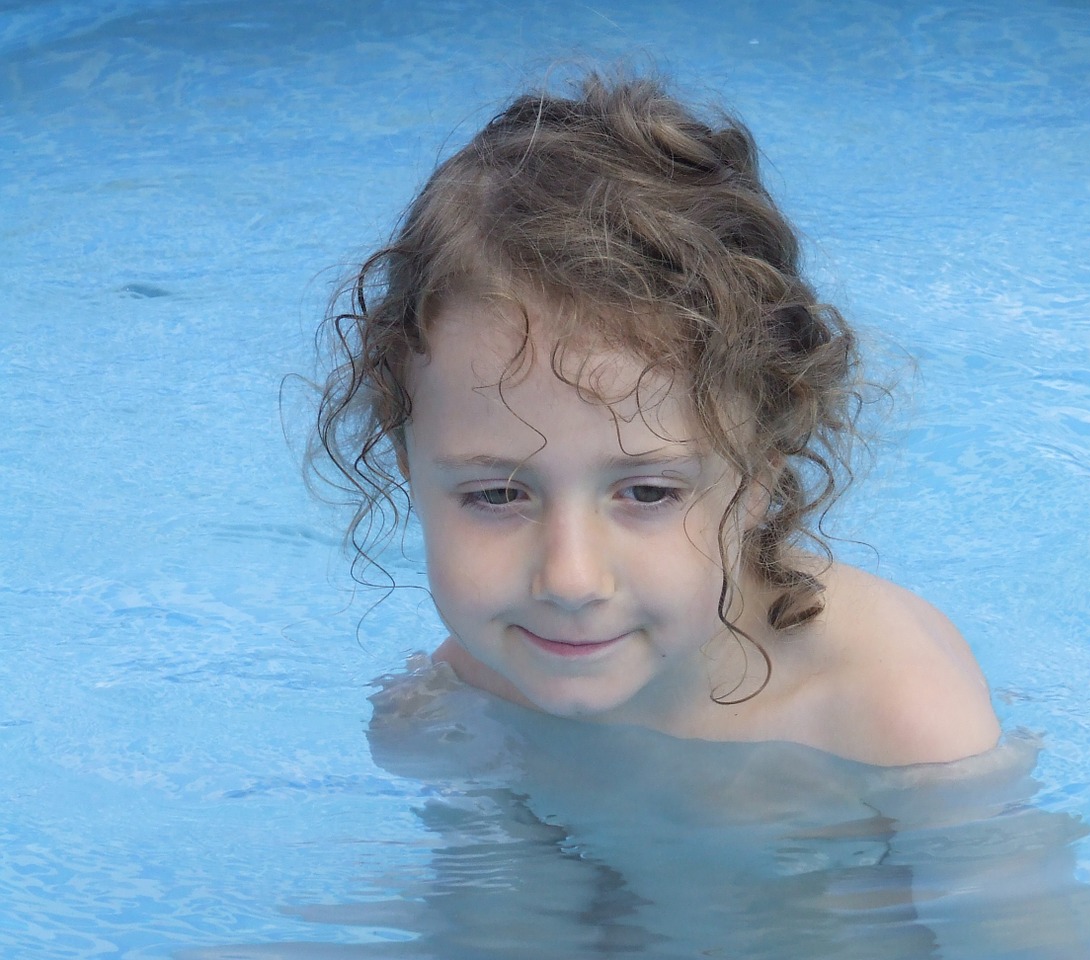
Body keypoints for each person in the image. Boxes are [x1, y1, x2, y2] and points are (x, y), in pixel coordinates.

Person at [312, 71, 1000, 767]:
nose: (571, 581)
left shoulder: (900, 717)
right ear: (407, 467)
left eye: (647, 492)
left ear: (759, 474)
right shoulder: (472, 690)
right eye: (497, 494)